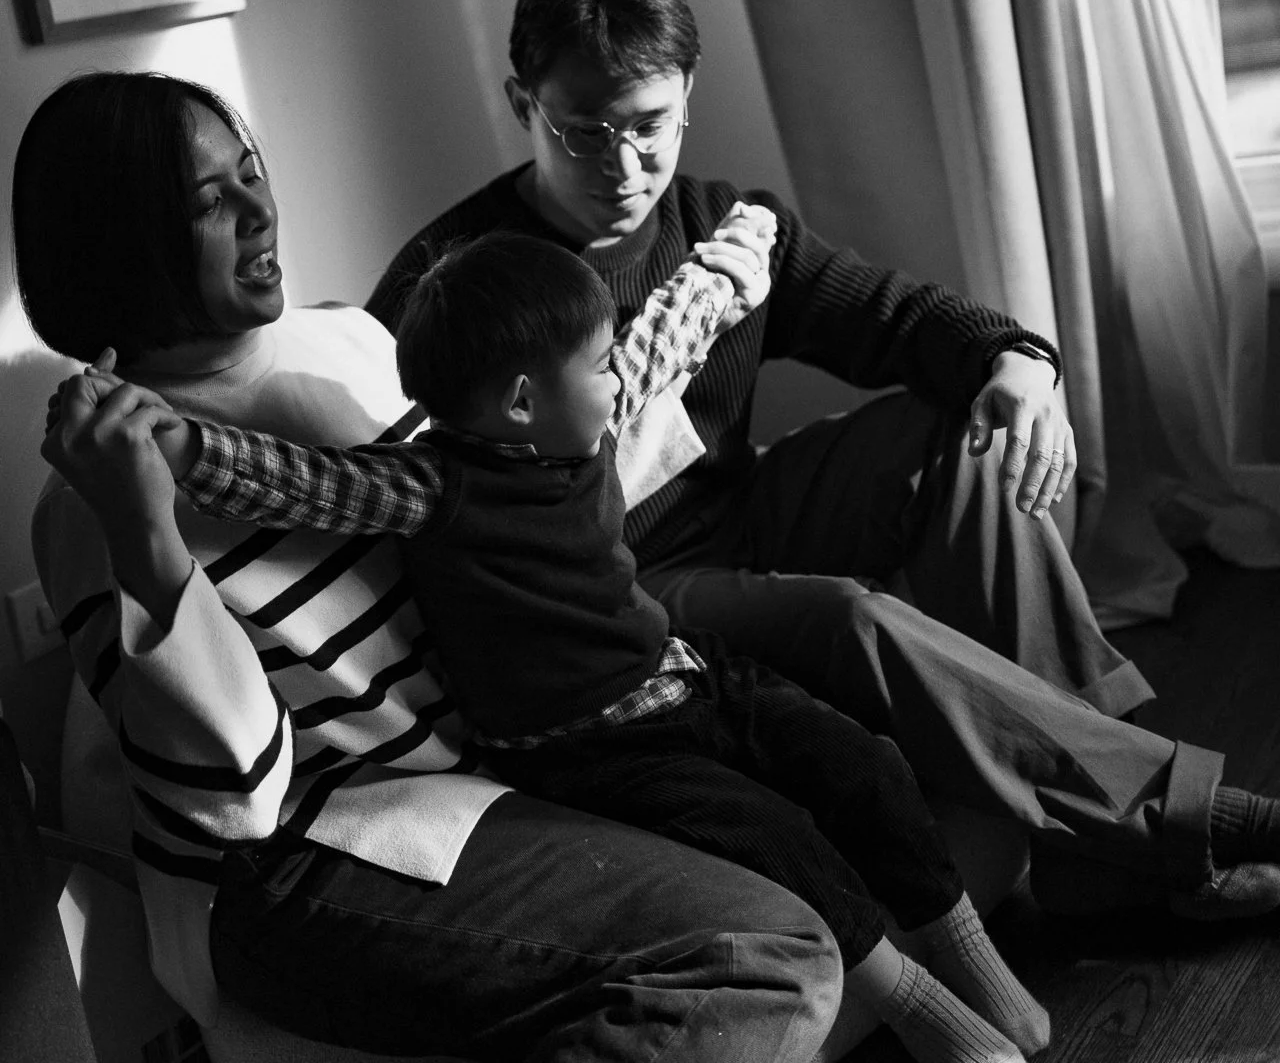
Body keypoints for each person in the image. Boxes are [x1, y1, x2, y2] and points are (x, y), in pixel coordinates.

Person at [368, 0, 1280, 918]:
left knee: (966, 434)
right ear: (522, 105)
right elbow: (418, 501)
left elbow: (897, 319)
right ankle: (1171, 822)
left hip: (740, 510)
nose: (624, 167)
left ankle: (1086, 846)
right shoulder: (455, 286)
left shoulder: (723, 230)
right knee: (850, 616)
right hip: (617, 589)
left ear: (689, 97)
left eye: (649, 127)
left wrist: (1020, 363)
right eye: (583, 133)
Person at [18, 71, 846, 1063]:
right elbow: (234, 795)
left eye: (251, 174)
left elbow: (521, 519)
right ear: (122, 243)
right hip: (308, 857)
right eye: (208, 202)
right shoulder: (94, 493)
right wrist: (145, 532)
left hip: (503, 760)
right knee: (772, 957)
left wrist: (688, 319)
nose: (257, 210)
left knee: (825, 819)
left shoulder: (352, 342)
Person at [142, 225, 1051, 1063]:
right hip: (591, 750)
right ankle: (928, 1014)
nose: (620, 379)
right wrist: (183, 447)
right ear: (524, 401)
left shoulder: (587, 425)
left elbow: (666, 337)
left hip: (684, 676)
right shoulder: (435, 487)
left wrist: (742, 244)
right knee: (778, 836)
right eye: (600, 366)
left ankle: (977, 963)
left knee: (859, 761)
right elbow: (305, 484)